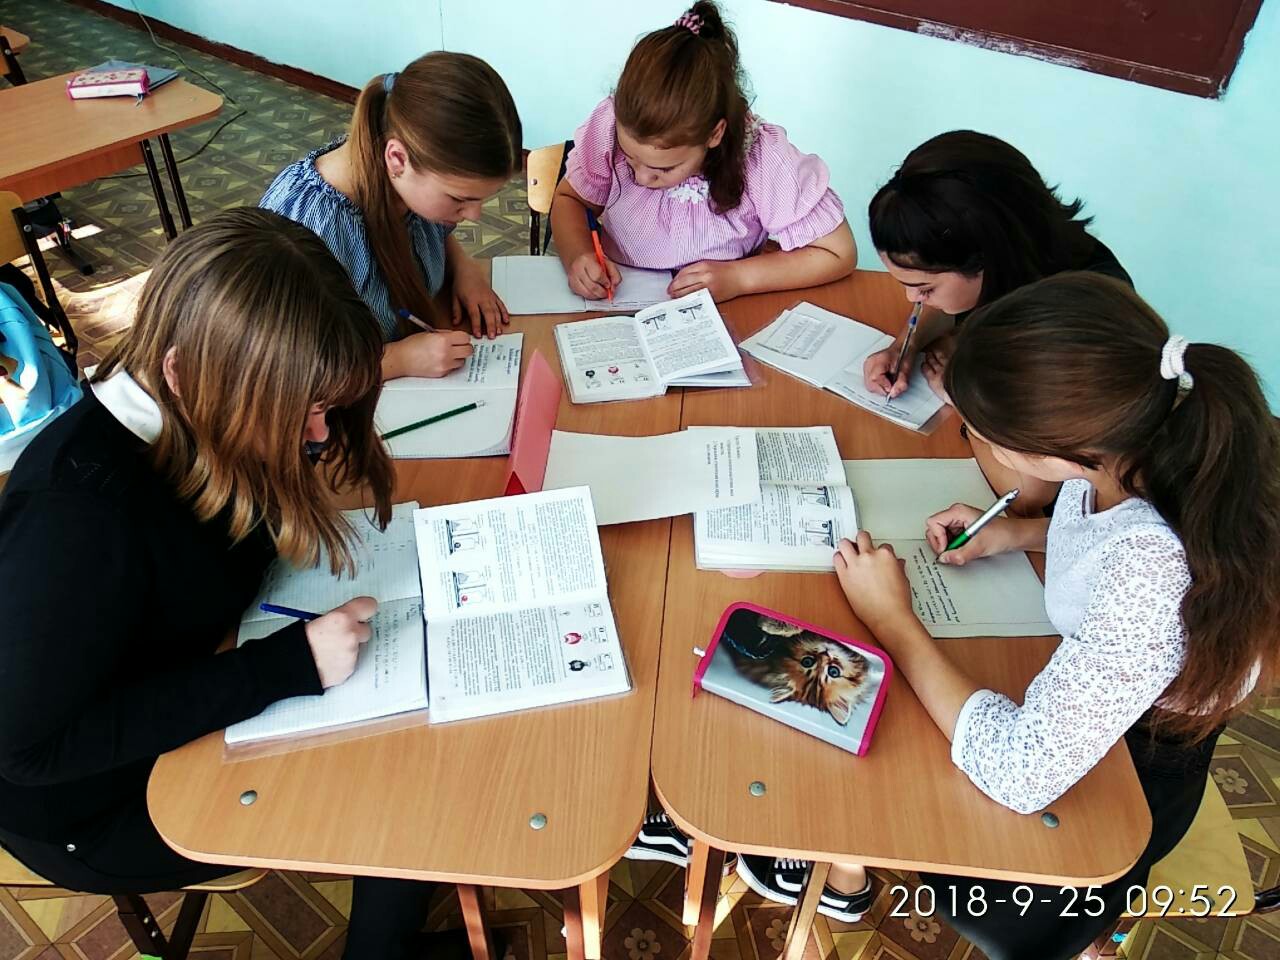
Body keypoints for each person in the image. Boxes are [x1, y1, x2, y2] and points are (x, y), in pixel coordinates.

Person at [0, 209, 445, 960]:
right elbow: (29, 750)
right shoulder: (74, 519)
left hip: (196, 668)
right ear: (184, 374)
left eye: (324, 409)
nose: (317, 436)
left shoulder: (196, 416)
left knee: (417, 741)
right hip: (94, 803)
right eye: (301, 412)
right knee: (399, 798)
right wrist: (286, 666)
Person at [810, 272, 1279, 956]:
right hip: (1109, 699)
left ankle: (1090, 932)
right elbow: (1110, 531)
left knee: (919, 799)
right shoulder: (1134, 445)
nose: (976, 441)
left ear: (1048, 453)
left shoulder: (1149, 572)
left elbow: (1020, 773)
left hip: (1131, 771)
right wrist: (1017, 534)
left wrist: (892, 621)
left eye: (981, 434)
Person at [863, 131, 1132, 515]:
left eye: (924, 288)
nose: (912, 300)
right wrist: (904, 346)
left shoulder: (1070, 325)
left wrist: (962, 395)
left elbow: (1027, 492)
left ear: (986, 260)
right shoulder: (1018, 257)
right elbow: (951, 298)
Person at [550, 1, 855, 305]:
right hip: (618, 297)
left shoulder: (761, 158)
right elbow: (570, 199)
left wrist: (739, 278)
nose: (641, 178)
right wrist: (579, 255)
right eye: (630, 161)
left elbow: (838, 252)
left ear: (714, 134)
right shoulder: (609, 125)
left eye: (664, 169)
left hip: (725, 306)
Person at [262, 52, 522, 379]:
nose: (474, 215)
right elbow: (285, 372)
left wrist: (463, 267)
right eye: (459, 199)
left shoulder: (402, 182)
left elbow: (426, 235)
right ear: (397, 159)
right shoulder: (305, 228)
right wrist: (397, 360)